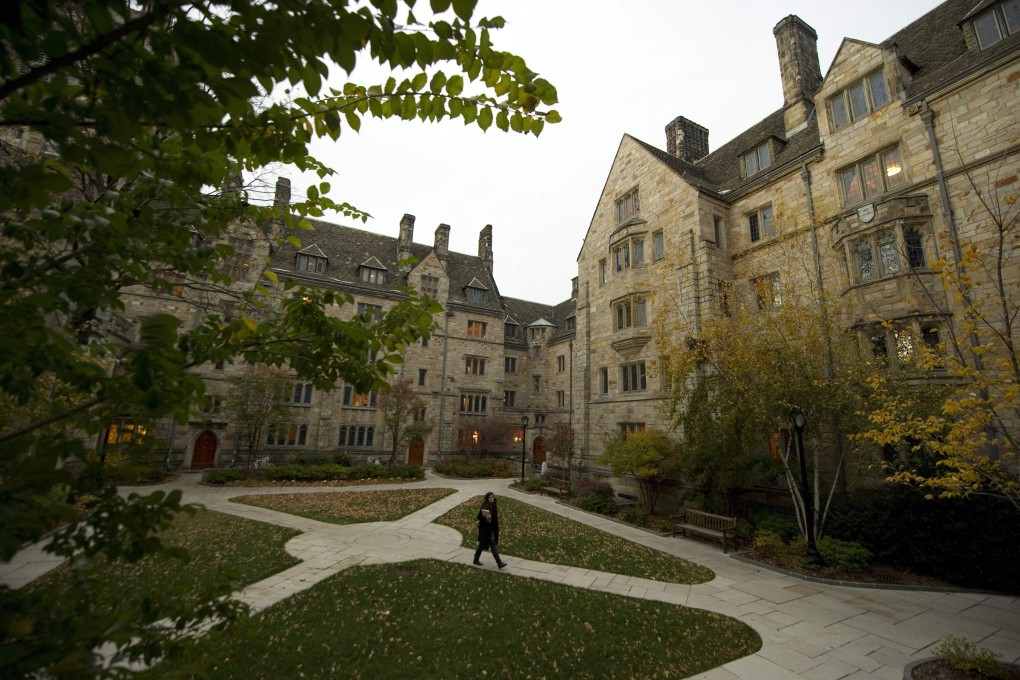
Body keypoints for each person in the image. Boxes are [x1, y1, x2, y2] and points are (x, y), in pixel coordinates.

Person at [473, 492, 507, 569]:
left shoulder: (493, 505)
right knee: (492, 544)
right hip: (485, 529)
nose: (492, 498)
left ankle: (475, 559)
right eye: (490, 497)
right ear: (487, 498)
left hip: (490, 529)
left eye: (493, 497)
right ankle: (499, 562)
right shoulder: (485, 507)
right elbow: (488, 521)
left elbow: (493, 520)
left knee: (481, 545)